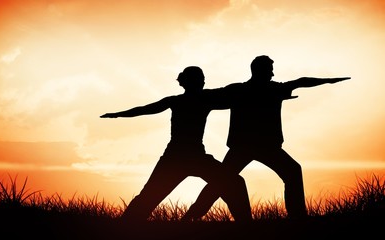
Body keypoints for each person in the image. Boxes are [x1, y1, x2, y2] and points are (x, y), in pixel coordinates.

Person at [182, 55, 351, 221]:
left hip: (257, 147)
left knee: (224, 181)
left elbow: (301, 81)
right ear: (260, 71)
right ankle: (298, 217)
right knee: (223, 181)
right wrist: (328, 80)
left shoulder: (240, 90)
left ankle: (192, 216)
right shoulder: (265, 89)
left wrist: (328, 80)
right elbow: (301, 81)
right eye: (270, 70)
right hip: (251, 147)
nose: (272, 74)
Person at [100, 66, 252, 222]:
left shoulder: (193, 99)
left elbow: (229, 94)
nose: (202, 82)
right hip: (179, 158)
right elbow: (146, 109)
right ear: (187, 82)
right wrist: (118, 114)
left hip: (186, 158)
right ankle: (124, 227)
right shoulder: (196, 99)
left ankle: (246, 226)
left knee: (235, 183)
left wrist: (117, 115)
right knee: (150, 196)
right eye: (199, 79)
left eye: (201, 79)